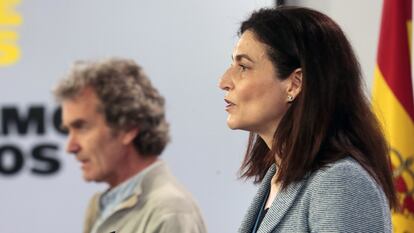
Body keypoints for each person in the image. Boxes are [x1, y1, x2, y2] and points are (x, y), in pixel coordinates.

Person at [218, 6, 396, 233]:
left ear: (294, 83)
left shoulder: (341, 183)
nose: (223, 81)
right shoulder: (277, 177)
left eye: (243, 66)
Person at [54, 58, 207, 233]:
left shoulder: (170, 212)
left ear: (127, 128)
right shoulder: (99, 207)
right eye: (68, 130)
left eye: (81, 127)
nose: (70, 147)